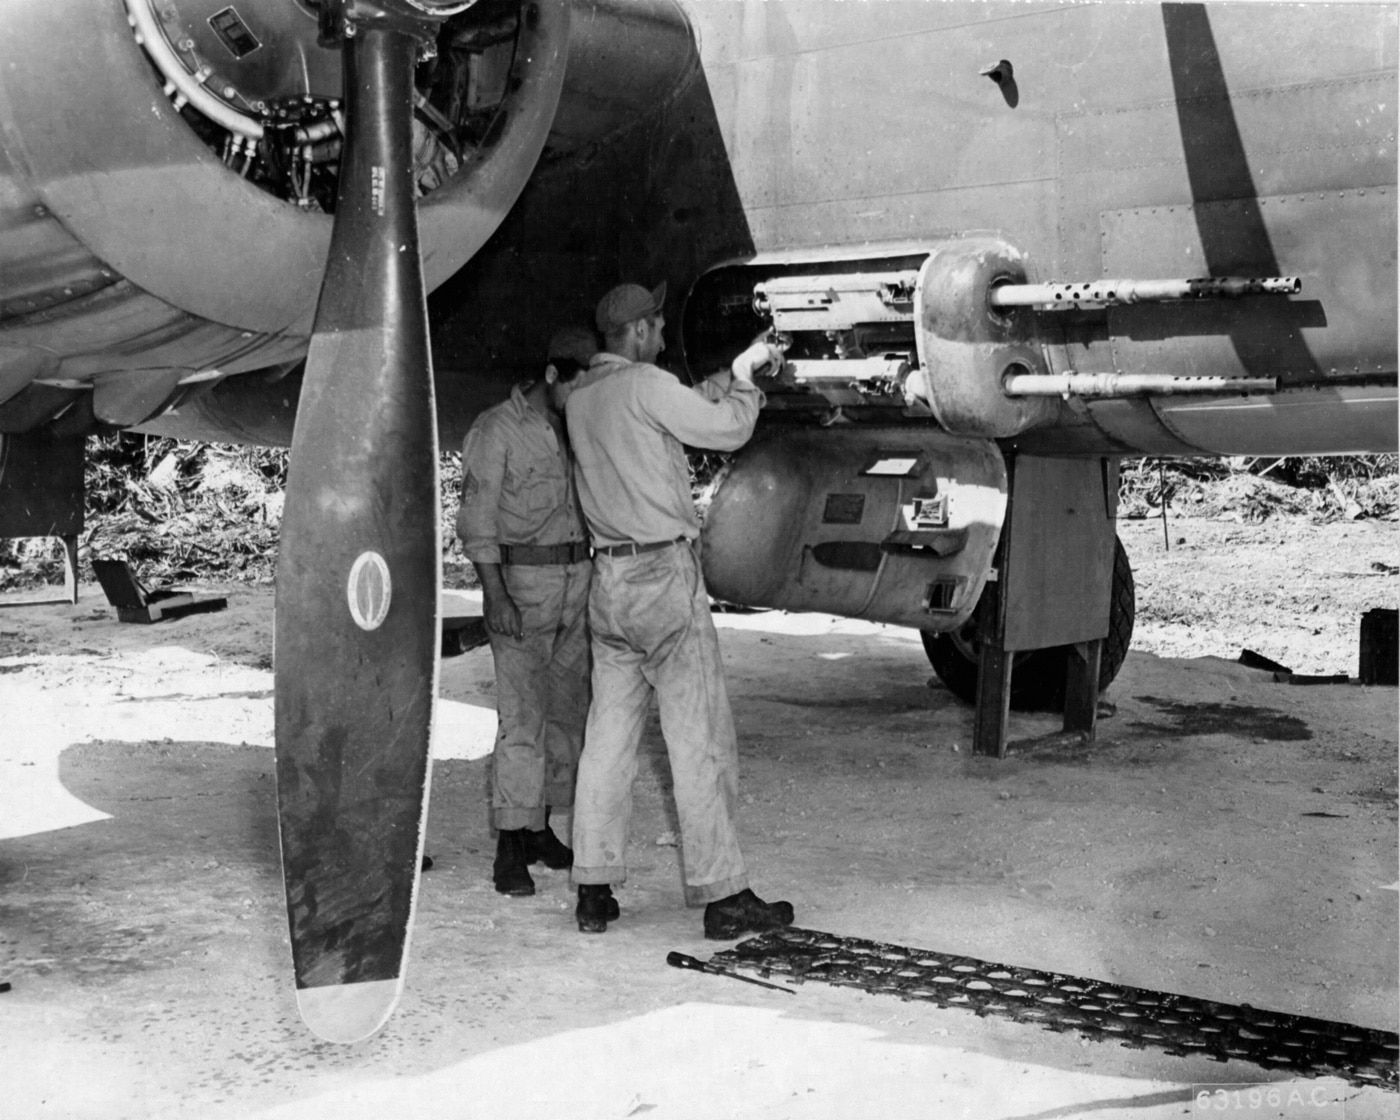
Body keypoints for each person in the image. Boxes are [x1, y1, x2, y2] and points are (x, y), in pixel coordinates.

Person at [564, 280, 794, 938]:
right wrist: (747, 382)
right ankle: (724, 897)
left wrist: (729, 373)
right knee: (700, 740)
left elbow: (678, 414)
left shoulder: (583, 399)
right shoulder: (644, 382)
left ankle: (594, 887)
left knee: (607, 744)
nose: (664, 337)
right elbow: (724, 430)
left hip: (609, 583)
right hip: (664, 578)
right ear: (636, 332)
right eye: (658, 327)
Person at [457, 326, 598, 897]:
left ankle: (538, 828)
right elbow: (476, 525)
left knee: (566, 718)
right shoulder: (496, 430)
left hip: (577, 586)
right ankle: (509, 848)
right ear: (550, 376)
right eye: (577, 387)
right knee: (522, 722)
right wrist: (496, 596)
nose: (582, 400)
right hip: (523, 587)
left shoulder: (577, 427)